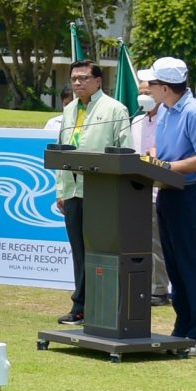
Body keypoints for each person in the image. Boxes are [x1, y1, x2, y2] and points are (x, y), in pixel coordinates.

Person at [139, 57, 196, 352]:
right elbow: (161, 148)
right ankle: (183, 326)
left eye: (152, 83)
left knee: (191, 265)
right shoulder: (166, 109)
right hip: (168, 192)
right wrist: (154, 157)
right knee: (175, 265)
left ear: (165, 87)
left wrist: (168, 167)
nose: (148, 88)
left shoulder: (194, 112)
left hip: (189, 194)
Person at [50, 60, 132, 328]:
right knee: (79, 251)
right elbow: (62, 149)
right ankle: (81, 306)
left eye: (84, 78)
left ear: (98, 81)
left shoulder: (115, 109)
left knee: (101, 252)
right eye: (74, 78)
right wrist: (61, 190)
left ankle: (102, 306)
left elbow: (126, 152)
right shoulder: (69, 109)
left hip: (101, 191)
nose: (77, 83)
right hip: (72, 189)